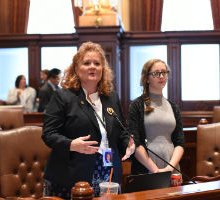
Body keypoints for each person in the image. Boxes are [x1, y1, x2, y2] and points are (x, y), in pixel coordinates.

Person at [41, 41, 135, 199]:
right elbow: (48, 134)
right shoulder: (63, 96)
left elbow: (121, 132)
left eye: (97, 63)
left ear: (102, 69)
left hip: (109, 172)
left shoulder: (111, 97)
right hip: (72, 174)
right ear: (77, 69)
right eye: (86, 63)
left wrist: (128, 144)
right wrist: (71, 144)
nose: (92, 66)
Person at [127, 59, 184, 177]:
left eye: (164, 72)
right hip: (146, 169)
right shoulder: (136, 105)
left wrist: (170, 168)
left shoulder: (174, 107)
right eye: (156, 73)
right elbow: (135, 143)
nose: (161, 76)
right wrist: (155, 171)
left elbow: (179, 142)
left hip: (172, 169)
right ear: (147, 78)